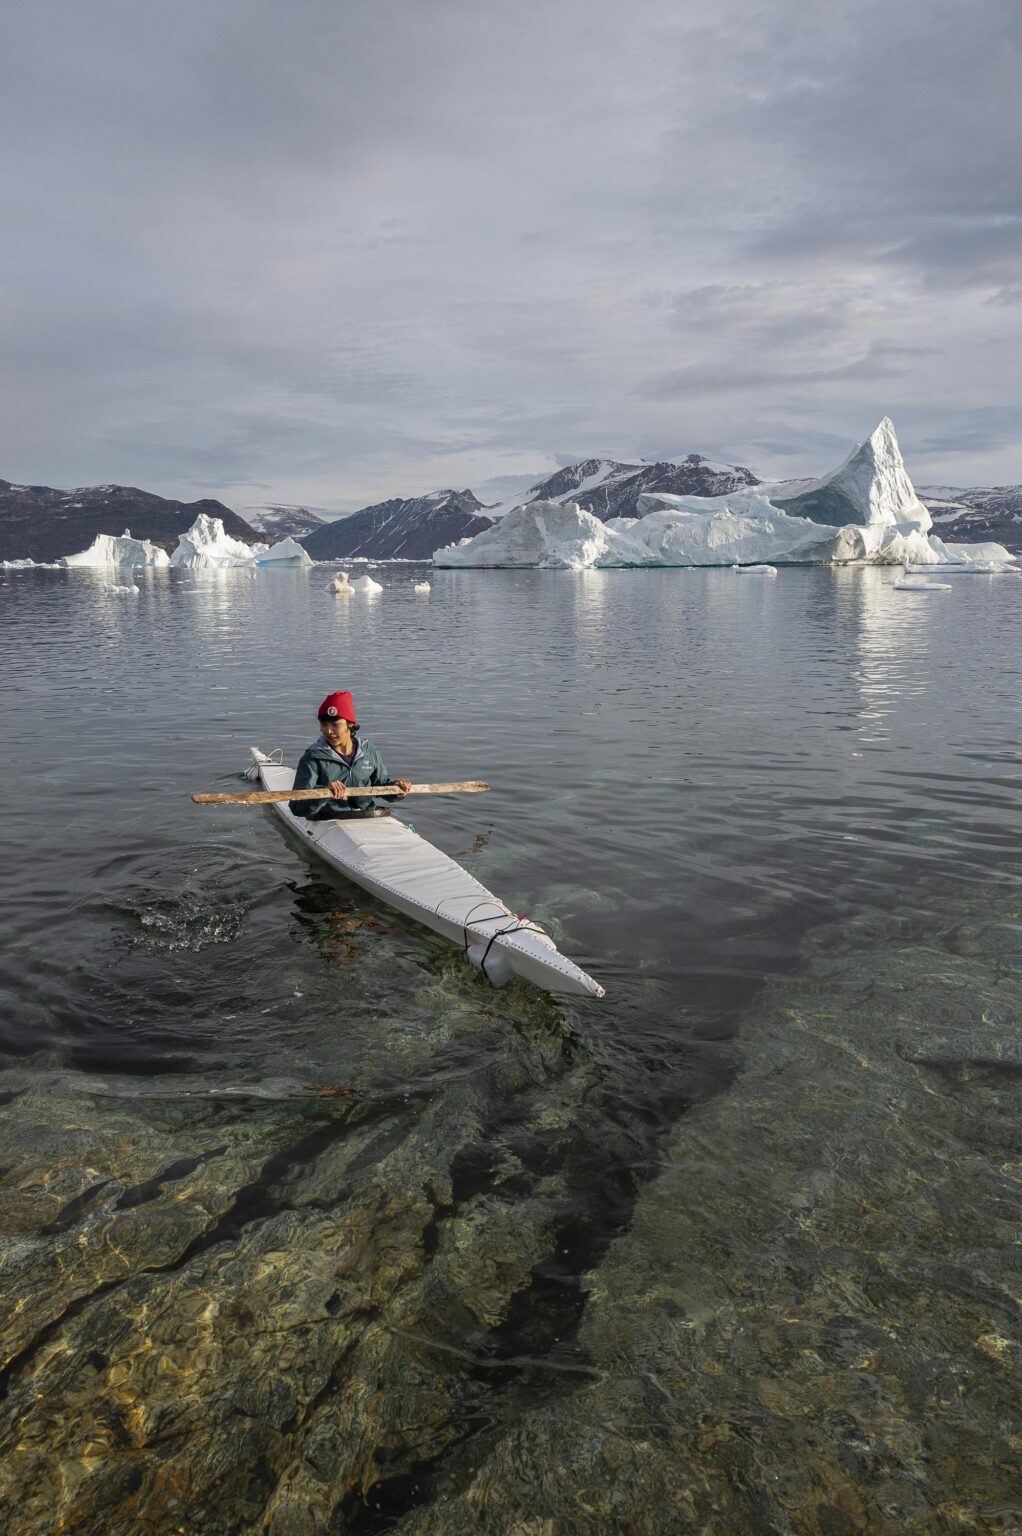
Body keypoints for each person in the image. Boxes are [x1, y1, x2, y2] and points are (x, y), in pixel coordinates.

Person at [289, 691, 411, 819]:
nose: (328, 731)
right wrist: (324, 792)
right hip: (328, 819)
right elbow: (297, 807)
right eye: (324, 724)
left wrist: (398, 790)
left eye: (335, 725)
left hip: (366, 815)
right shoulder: (313, 757)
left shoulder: (369, 752)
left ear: (350, 724)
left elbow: (382, 785)